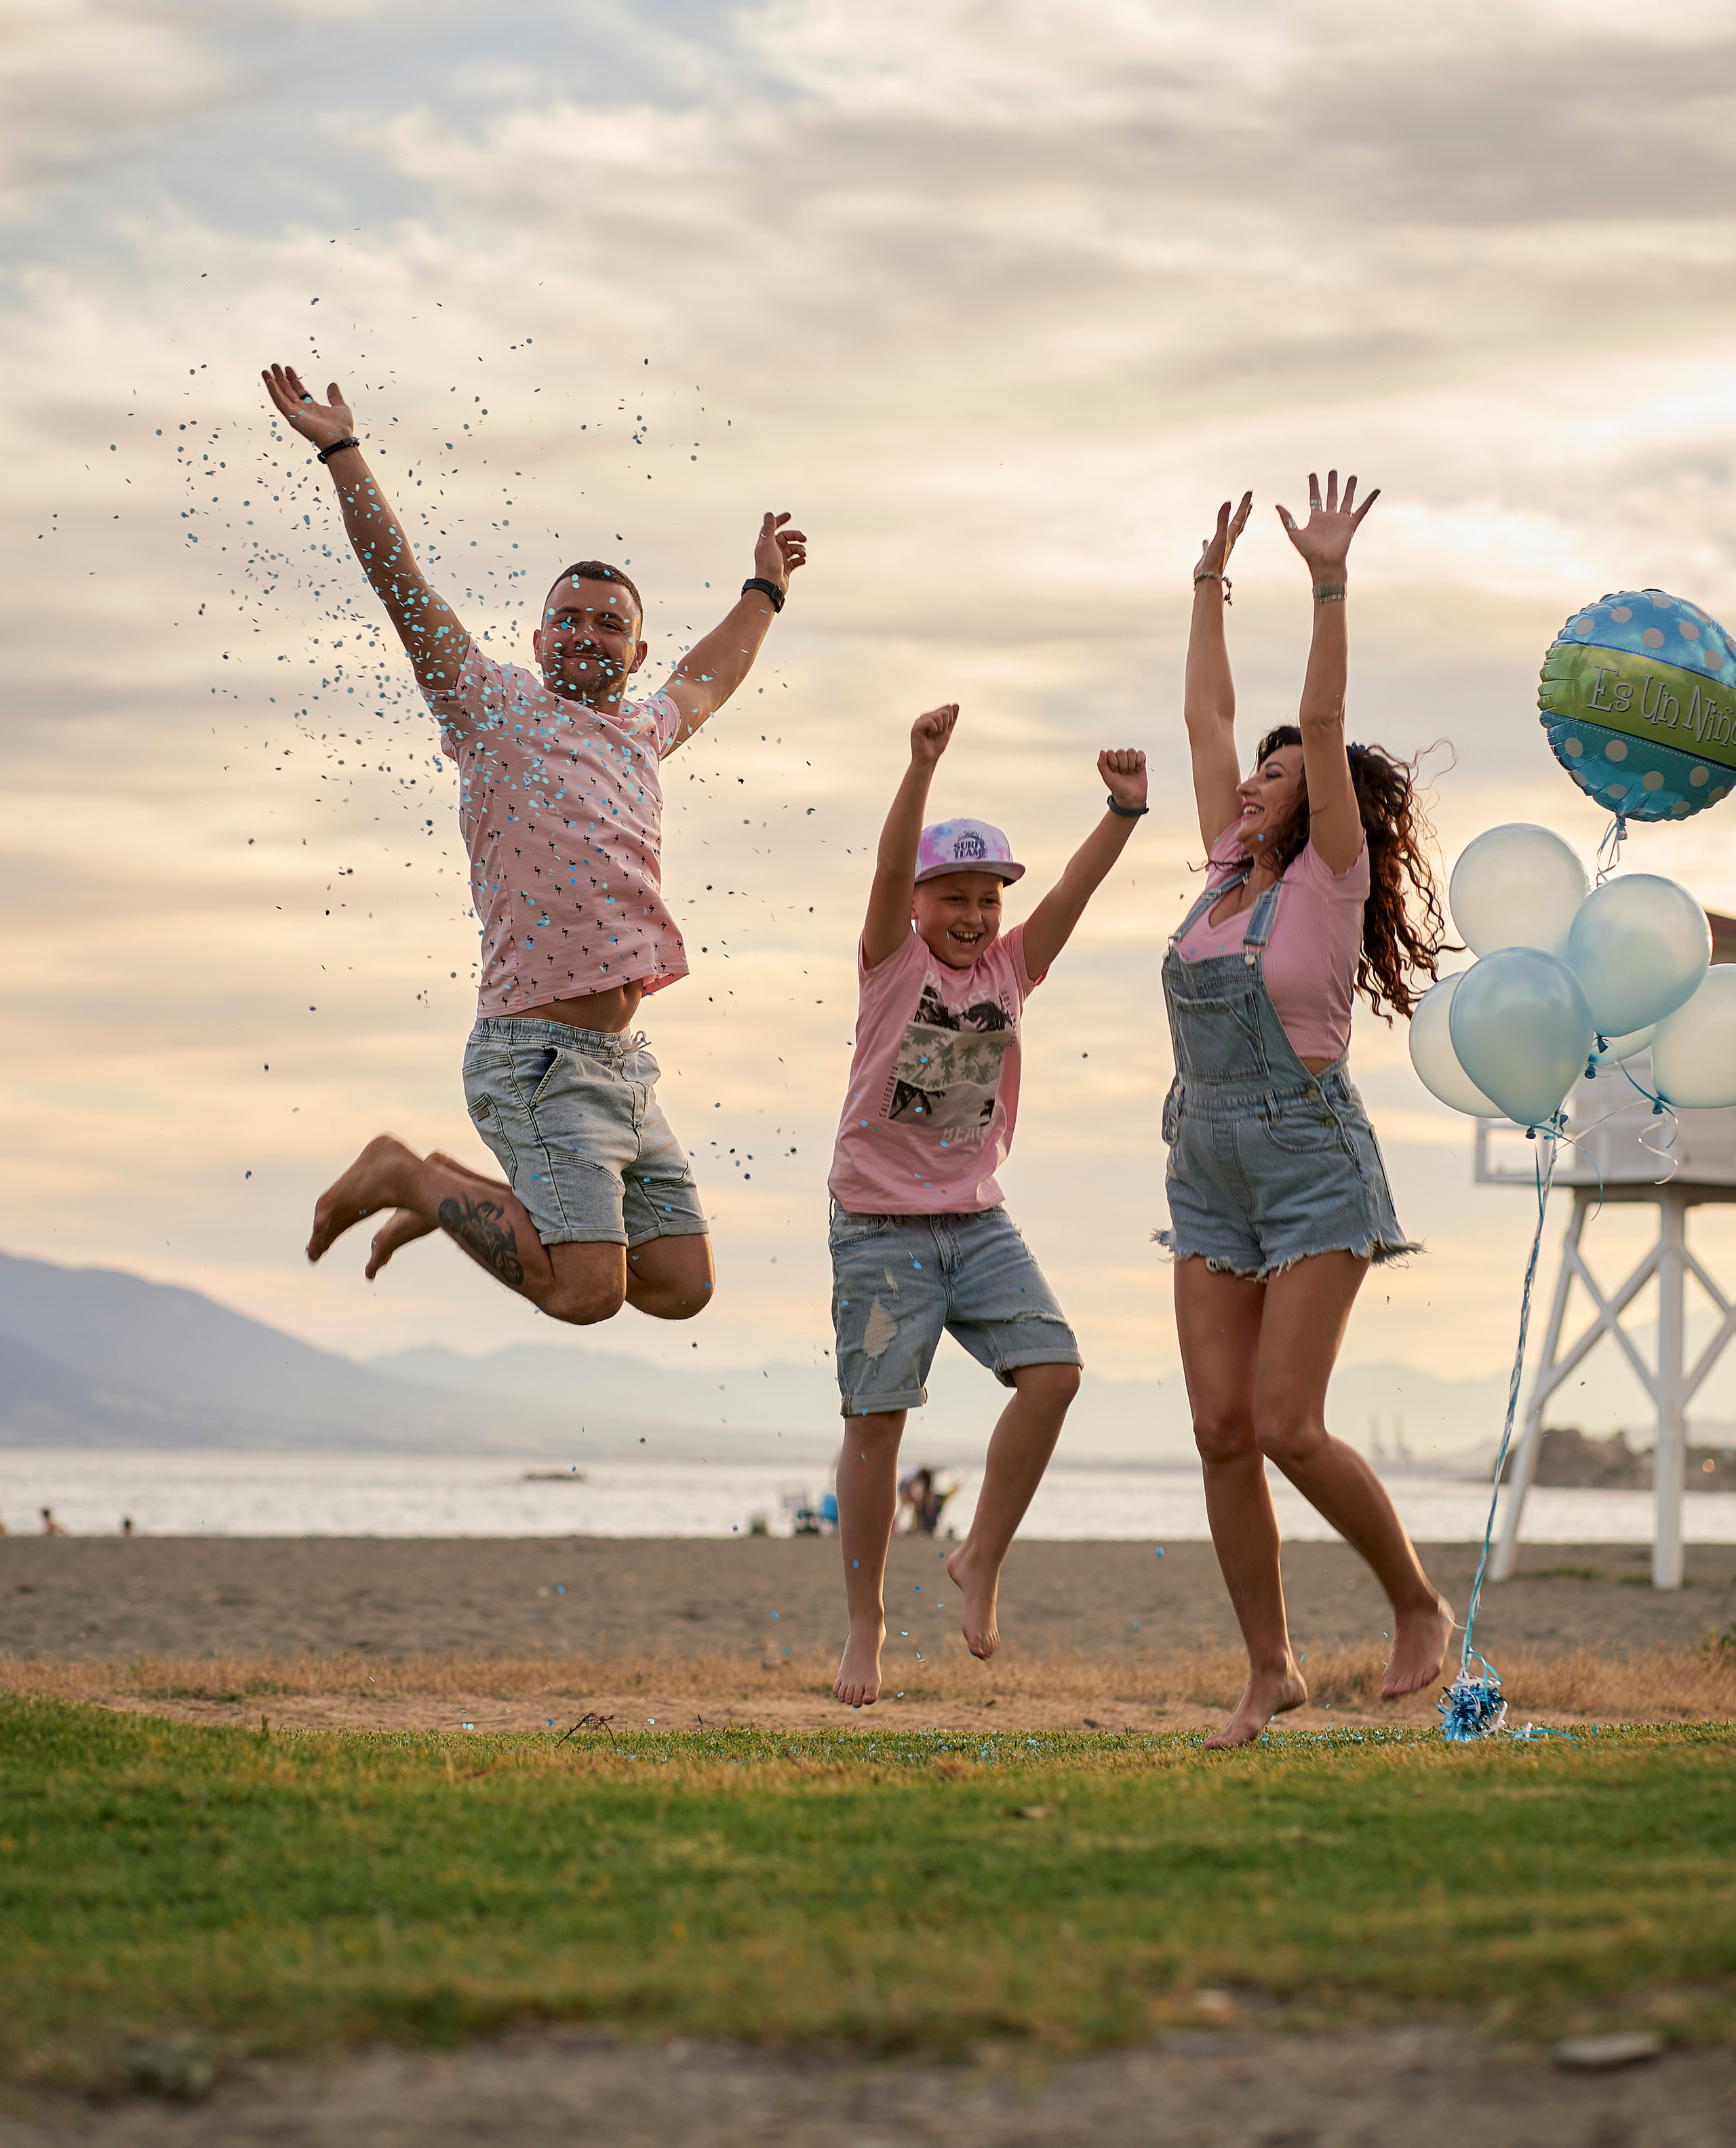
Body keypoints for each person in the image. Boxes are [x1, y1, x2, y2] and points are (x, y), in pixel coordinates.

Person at [260, 359, 805, 1330]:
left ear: (636, 654)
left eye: (611, 625)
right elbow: (401, 581)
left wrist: (764, 587)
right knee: (587, 1294)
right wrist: (344, 452)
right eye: (569, 619)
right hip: (532, 1058)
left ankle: (443, 1189)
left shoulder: (643, 730)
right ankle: (407, 1179)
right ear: (539, 635)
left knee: (680, 1287)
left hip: (621, 1064)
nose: (587, 634)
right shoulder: (490, 707)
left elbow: (715, 675)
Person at [1164, 471, 1453, 1747]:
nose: (1254, 783)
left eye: (1277, 775)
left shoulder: (1330, 875)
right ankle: (1269, 1668)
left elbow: (1316, 717)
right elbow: (1205, 713)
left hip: (1311, 1162)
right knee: (1221, 1430)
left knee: (1286, 1423)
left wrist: (1326, 582)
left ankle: (1416, 1605)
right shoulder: (1223, 868)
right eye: (1258, 774)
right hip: (1203, 1162)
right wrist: (1208, 587)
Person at [829, 702, 1149, 1707]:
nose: (974, 916)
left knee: (1053, 1373)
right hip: (879, 1229)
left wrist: (1122, 812)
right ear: (920, 905)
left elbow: (1071, 894)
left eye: (986, 899)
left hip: (975, 1223)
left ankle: (982, 1561)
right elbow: (885, 872)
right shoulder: (893, 966)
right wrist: (918, 767)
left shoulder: (1012, 968)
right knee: (876, 1423)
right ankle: (866, 1630)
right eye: (954, 897)